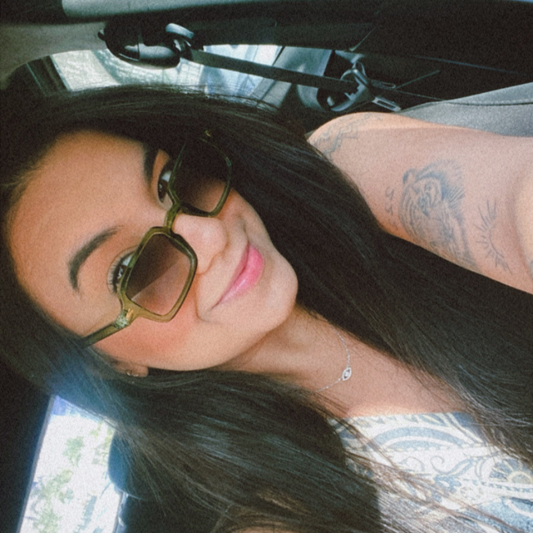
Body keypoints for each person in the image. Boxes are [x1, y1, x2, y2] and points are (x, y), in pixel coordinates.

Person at [0, 84, 532, 533]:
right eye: (134, 268)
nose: (210, 236)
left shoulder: (342, 170)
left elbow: (515, 202)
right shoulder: (264, 510)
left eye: (174, 182)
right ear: (109, 363)